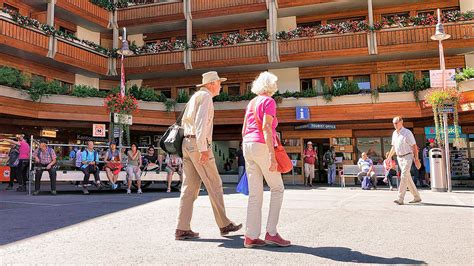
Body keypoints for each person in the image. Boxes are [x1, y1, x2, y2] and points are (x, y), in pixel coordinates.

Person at [176, 71, 242, 241]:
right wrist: (203, 148)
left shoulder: (195, 97)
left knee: (189, 188)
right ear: (212, 84)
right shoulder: (206, 97)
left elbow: (186, 122)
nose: (220, 86)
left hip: (187, 144)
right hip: (198, 145)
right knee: (215, 184)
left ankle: (182, 228)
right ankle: (224, 224)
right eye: (219, 83)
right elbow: (200, 123)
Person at [241, 71, 290, 248]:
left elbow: (245, 129)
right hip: (261, 145)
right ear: (271, 86)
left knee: (255, 194)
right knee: (277, 188)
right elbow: (266, 127)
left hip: (247, 145)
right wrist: (271, 155)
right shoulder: (269, 101)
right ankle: (272, 232)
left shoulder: (252, 102)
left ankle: (251, 236)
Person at [387, 116, 422, 205]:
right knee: (407, 177)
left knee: (403, 176)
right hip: (399, 158)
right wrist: (389, 157)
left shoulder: (407, 132)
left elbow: (414, 146)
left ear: (401, 122)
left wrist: (416, 159)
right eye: (393, 123)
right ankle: (417, 197)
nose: (395, 125)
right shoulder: (394, 133)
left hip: (408, 157)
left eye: (396, 123)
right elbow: (394, 147)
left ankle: (400, 198)